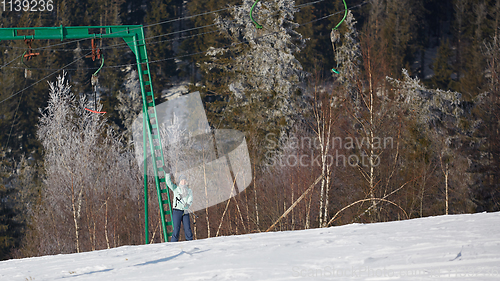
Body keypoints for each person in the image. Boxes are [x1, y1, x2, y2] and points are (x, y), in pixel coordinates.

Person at [166, 173, 193, 242]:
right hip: (177, 211)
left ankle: (190, 242)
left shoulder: (189, 191)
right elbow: (168, 183)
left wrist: (187, 204)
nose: (183, 182)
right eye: (181, 180)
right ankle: (174, 243)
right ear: (179, 181)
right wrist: (167, 174)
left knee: (187, 228)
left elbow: (190, 199)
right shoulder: (176, 189)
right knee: (176, 228)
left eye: (184, 180)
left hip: (185, 211)